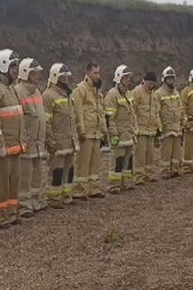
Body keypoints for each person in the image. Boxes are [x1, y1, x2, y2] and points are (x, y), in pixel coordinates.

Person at [0, 48, 26, 228]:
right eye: (13, 66)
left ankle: (12, 212)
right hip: (2, 148)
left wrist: (21, 140)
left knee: (14, 181)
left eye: (16, 66)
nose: (16, 69)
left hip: (14, 146)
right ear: (3, 66)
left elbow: (18, 116)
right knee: (0, 183)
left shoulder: (11, 90)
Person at [42, 63, 79, 208]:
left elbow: (71, 117)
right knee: (56, 171)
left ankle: (66, 195)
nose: (65, 80)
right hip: (58, 141)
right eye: (62, 77)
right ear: (55, 77)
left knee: (69, 170)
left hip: (69, 140)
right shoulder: (48, 96)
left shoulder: (68, 94)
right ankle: (53, 199)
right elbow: (47, 121)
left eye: (66, 77)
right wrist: (50, 141)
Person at [15, 58, 47, 217]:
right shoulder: (19, 91)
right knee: (25, 177)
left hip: (38, 142)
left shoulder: (37, 92)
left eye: (38, 74)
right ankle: (23, 205)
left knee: (37, 174)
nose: (37, 76)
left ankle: (36, 201)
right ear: (26, 73)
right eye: (34, 74)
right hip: (27, 142)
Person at [72, 62, 107, 199]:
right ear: (87, 73)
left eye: (98, 73)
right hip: (86, 133)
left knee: (95, 163)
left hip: (96, 133)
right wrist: (81, 130)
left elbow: (101, 112)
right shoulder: (80, 90)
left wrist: (104, 130)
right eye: (95, 73)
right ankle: (79, 190)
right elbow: (78, 111)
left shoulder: (98, 92)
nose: (98, 76)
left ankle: (93, 188)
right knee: (83, 163)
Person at [104, 65, 138, 193]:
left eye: (129, 77)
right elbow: (109, 117)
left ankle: (126, 183)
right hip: (119, 134)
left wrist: (134, 130)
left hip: (128, 134)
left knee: (128, 161)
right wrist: (113, 135)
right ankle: (114, 185)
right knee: (117, 161)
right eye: (125, 77)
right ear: (119, 78)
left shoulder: (128, 94)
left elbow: (132, 114)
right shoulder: (112, 95)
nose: (128, 80)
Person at [154, 66, 184, 179]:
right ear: (164, 79)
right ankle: (165, 171)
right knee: (166, 153)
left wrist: (183, 121)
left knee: (176, 152)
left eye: (172, 78)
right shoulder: (158, 93)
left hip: (176, 128)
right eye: (169, 78)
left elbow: (180, 109)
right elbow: (156, 111)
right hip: (166, 128)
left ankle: (175, 169)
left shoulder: (176, 93)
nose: (171, 81)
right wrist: (159, 127)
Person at [130, 71, 159, 184]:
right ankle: (138, 177)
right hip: (141, 130)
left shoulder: (154, 94)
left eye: (153, 84)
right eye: (150, 83)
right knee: (140, 155)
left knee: (150, 155)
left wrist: (157, 126)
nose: (151, 86)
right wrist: (135, 127)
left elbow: (156, 111)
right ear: (145, 81)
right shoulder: (137, 92)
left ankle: (148, 174)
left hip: (151, 130)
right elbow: (132, 111)